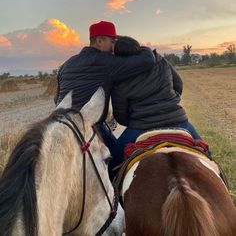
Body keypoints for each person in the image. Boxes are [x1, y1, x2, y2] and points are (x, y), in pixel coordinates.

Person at [54, 21, 155, 151]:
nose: (113, 46)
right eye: (112, 41)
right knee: (118, 156)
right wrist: (137, 47)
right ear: (100, 41)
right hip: (90, 126)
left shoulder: (66, 65)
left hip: (59, 125)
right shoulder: (106, 62)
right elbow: (148, 59)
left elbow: (57, 99)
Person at [110, 36, 202, 172]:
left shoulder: (118, 76)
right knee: (207, 155)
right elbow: (178, 85)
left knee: (112, 161)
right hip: (178, 121)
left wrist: (137, 119)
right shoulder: (160, 61)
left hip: (140, 127)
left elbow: (120, 115)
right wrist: (171, 102)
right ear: (137, 47)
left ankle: (113, 192)